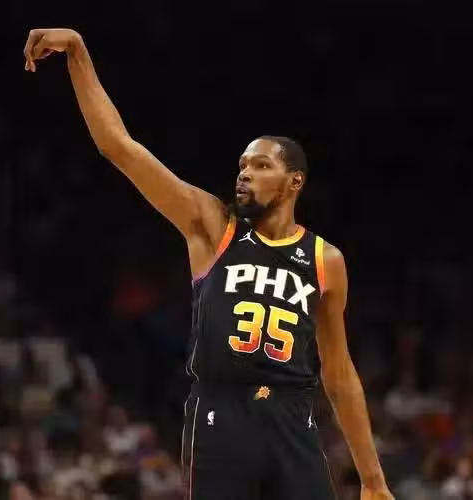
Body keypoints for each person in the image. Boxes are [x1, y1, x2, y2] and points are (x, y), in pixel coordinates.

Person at [23, 28, 393, 500]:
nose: (245, 173)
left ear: (294, 182)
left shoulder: (326, 259)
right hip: (222, 413)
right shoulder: (214, 226)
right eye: (242, 165)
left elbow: (338, 374)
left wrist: (373, 479)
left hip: (292, 419)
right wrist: (78, 52)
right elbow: (119, 146)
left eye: (261, 165)